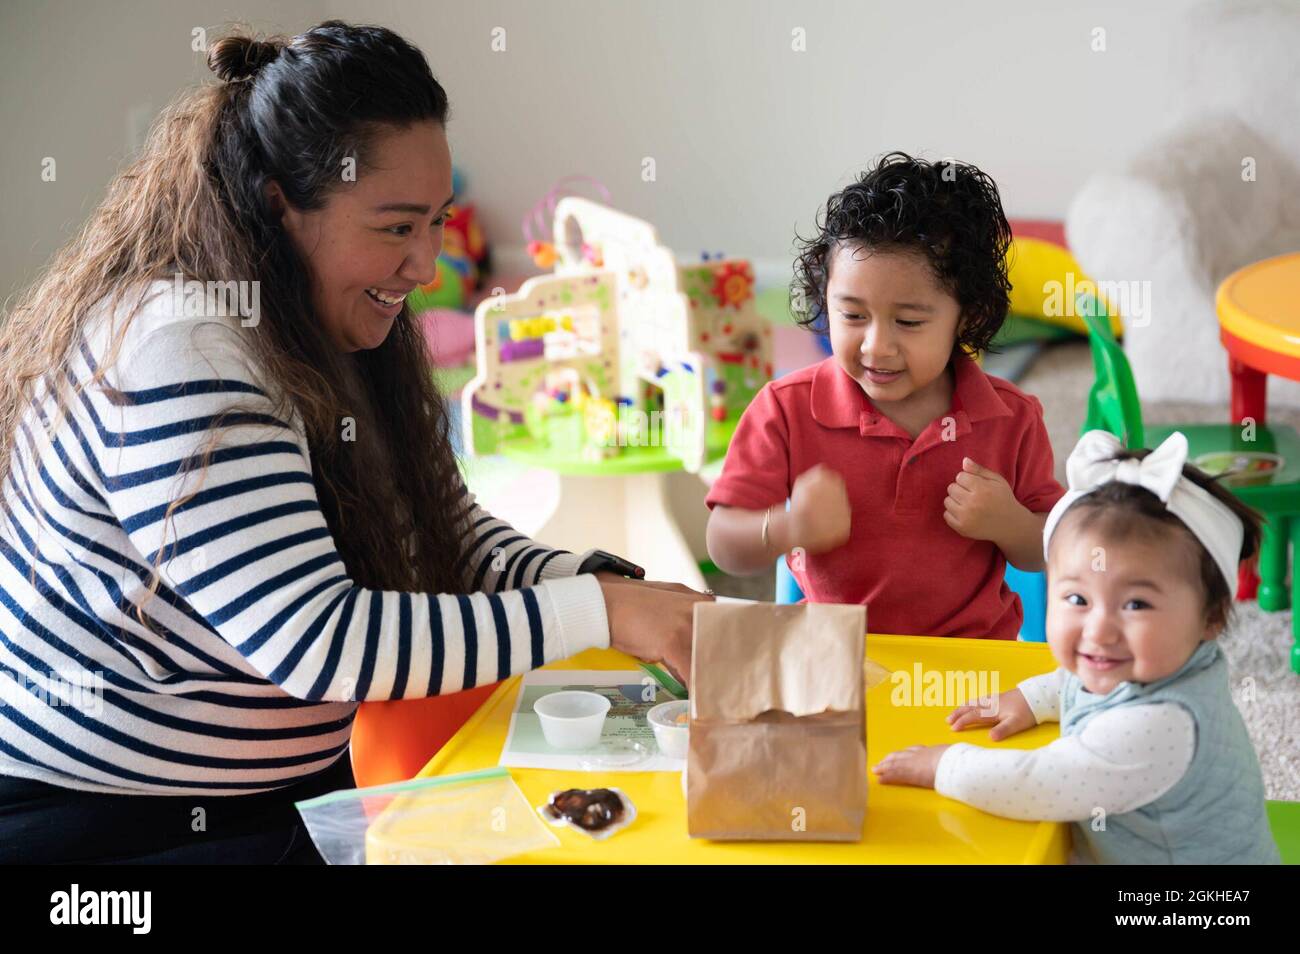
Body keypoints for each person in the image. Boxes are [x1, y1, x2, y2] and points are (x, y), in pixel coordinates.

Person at [0, 21, 708, 863]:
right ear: (278, 204)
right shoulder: (182, 347)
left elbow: (444, 529)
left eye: (437, 223)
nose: (428, 263)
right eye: (397, 226)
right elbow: (319, 643)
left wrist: (604, 582)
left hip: (273, 798)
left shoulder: (322, 325)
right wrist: (602, 611)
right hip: (110, 826)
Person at [874, 430, 1281, 864]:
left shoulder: (1161, 725)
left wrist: (944, 766)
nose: (1099, 630)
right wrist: (1032, 698)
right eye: (1077, 599)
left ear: (1212, 617)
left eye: (1136, 604)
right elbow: (1079, 680)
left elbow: (1037, 784)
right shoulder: (1157, 663)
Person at [705, 152, 1064, 639]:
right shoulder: (785, 409)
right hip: (837, 661)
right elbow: (724, 545)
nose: (876, 346)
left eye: (910, 322)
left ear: (970, 317)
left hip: (971, 666)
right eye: (852, 316)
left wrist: (1009, 522)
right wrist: (787, 527)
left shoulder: (1012, 418)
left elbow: (1049, 547)